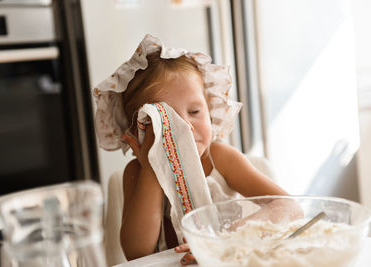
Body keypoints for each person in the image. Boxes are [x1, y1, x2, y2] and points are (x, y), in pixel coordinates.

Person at [93, 34, 288, 265]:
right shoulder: (135, 172)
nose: (185, 126)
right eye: (165, 121)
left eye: (195, 112)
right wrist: (151, 169)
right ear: (137, 131)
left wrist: (226, 239)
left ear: (210, 109)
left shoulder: (220, 159)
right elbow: (136, 252)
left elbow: (287, 206)